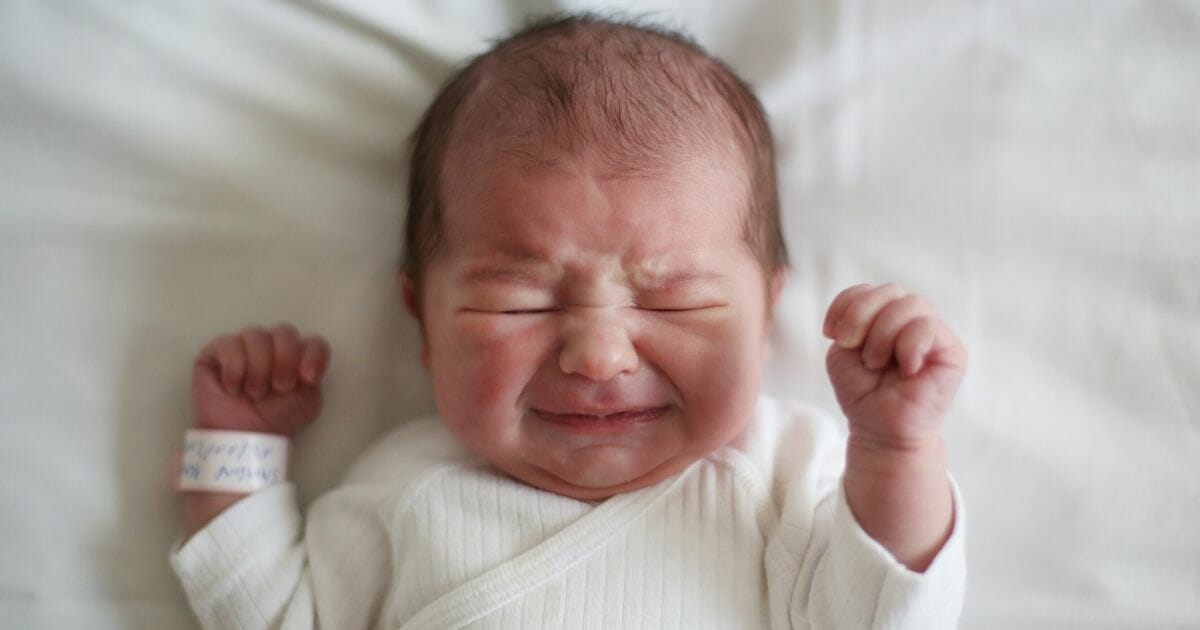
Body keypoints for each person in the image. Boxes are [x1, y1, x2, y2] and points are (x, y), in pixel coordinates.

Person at [171, 14, 967, 629]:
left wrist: (896, 448)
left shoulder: (784, 471)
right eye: (521, 300)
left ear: (766, 314)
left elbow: (886, 616)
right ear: (423, 318)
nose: (598, 356)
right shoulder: (407, 486)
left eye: (671, 300)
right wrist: (236, 448)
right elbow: (269, 615)